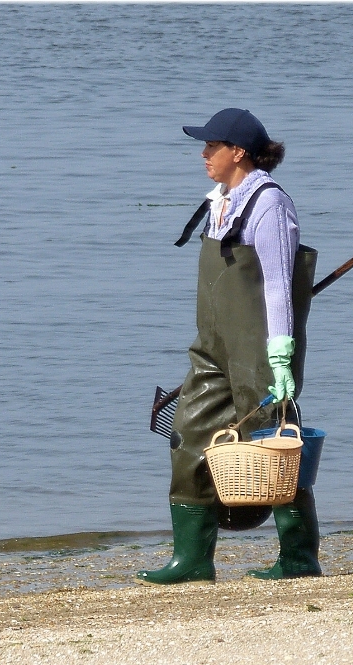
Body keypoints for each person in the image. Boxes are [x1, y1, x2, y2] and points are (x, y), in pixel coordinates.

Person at [136, 108, 321, 585]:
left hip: (259, 347)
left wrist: (280, 355)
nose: (203, 155)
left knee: (274, 448)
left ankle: (299, 557)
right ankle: (192, 561)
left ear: (237, 152)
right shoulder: (221, 200)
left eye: (211, 147)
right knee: (187, 437)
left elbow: (279, 283)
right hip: (212, 347)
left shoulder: (270, 204)